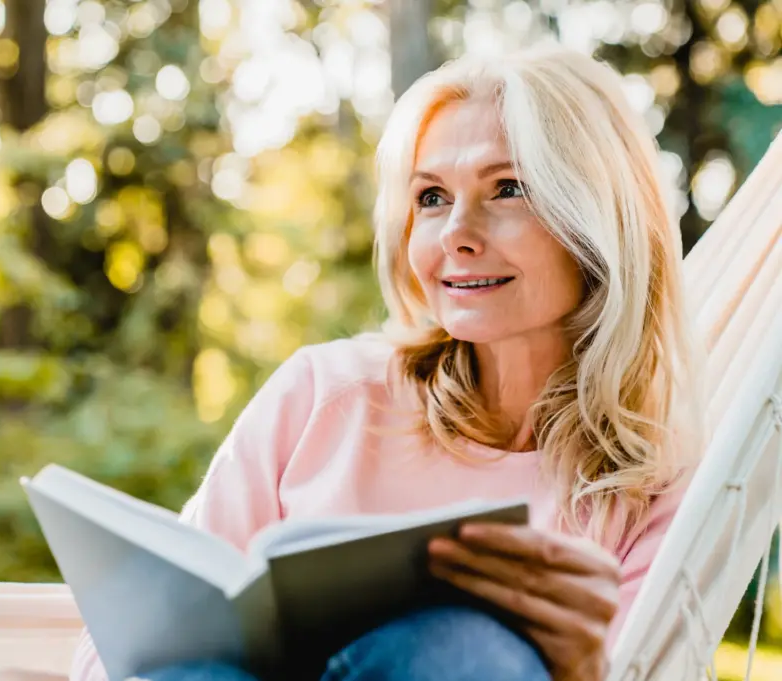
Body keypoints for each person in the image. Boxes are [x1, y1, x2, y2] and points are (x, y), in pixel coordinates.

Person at [70, 44, 704, 681]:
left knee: (463, 652)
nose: (457, 231)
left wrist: (581, 670)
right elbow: (120, 649)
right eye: (431, 197)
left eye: (507, 188)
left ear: (599, 220)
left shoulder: (652, 486)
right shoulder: (325, 396)